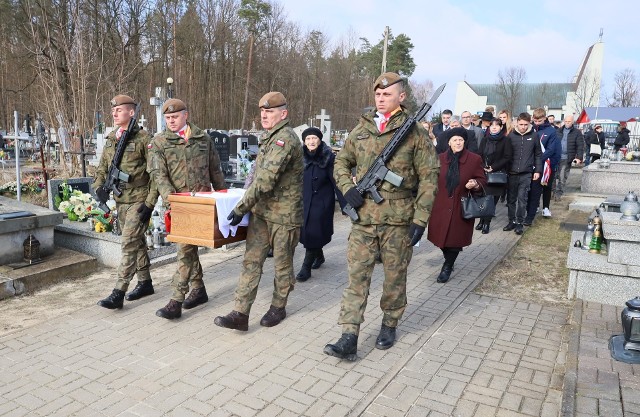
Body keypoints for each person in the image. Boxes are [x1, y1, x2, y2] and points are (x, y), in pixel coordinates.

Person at [323, 72, 439, 361]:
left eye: (387, 93)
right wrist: (347, 188)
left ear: (401, 97)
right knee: (356, 278)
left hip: (398, 221)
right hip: (363, 219)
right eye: (378, 93)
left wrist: (420, 220)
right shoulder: (361, 130)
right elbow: (341, 161)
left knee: (394, 277)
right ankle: (349, 334)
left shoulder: (415, 134)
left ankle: (389, 324)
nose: (381, 97)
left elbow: (429, 178)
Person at [214, 92, 303, 331]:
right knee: (251, 261)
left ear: (283, 114)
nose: (264, 115)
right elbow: (255, 176)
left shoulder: (285, 139)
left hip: (284, 216)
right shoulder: (268, 137)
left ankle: (278, 307)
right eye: (262, 111)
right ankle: (240, 313)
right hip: (262, 212)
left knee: (283, 264)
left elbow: (265, 180)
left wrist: (241, 206)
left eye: (270, 111)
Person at [147, 98, 226, 319]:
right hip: (179, 204)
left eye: (175, 117)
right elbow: (158, 175)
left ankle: (198, 290)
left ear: (186, 115)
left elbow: (215, 169)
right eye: (168, 118)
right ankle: (177, 299)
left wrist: (223, 199)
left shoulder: (203, 138)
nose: (171, 121)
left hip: (201, 203)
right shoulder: (160, 142)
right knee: (185, 249)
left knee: (188, 248)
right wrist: (171, 199)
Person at [95, 95, 158, 310]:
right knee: (137, 242)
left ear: (131, 113)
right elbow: (103, 166)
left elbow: (155, 174)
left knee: (128, 243)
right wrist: (98, 187)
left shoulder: (143, 138)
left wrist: (149, 203)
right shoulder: (113, 137)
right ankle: (145, 282)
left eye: (119, 110)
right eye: (113, 110)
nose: (114, 113)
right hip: (120, 199)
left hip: (139, 199)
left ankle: (118, 292)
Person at [427, 127, 487, 283]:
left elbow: (482, 179)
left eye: (461, 140)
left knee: (454, 240)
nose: (458, 142)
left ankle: (447, 266)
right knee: (440, 239)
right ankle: (449, 256)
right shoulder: (439, 158)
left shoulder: (474, 159)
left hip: (461, 206)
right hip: (440, 205)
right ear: (449, 142)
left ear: (464, 141)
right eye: (455, 140)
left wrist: (475, 184)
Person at [295, 127, 346, 282]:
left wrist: (345, 204)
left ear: (319, 140)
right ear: (304, 141)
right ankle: (319, 255)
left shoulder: (328, 157)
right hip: (305, 202)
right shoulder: (299, 158)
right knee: (306, 233)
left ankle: (306, 267)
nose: (311, 141)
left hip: (322, 203)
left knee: (314, 231)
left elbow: (337, 182)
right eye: (308, 139)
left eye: (314, 138)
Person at [504, 113, 542, 235]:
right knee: (511, 199)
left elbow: (538, 154)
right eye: (521, 124)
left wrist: (537, 171)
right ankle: (511, 221)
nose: (523, 127)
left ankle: (520, 223)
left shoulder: (534, 136)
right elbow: (506, 154)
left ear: (529, 123)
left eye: (526, 125)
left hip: (526, 173)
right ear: (517, 123)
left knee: (522, 199)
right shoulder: (511, 136)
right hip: (512, 172)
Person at [476, 118, 512, 234]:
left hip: (497, 174)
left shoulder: (505, 140)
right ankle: (481, 220)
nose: (494, 127)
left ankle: (487, 223)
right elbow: (479, 155)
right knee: (483, 199)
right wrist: (483, 167)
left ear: (501, 127)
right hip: (484, 173)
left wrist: (493, 167)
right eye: (492, 125)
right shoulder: (485, 140)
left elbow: (507, 157)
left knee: (491, 201)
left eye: (497, 125)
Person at [524, 108, 559, 225]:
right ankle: (527, 210)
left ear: (545, 118)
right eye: (535, 120)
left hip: (542, 165)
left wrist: (537, 161)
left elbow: (550, 150)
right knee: (527, 190)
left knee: (537, 190)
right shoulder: (530, 129)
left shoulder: (551, 131)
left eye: (539, 120)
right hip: (528, 164)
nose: (537, 122)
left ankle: (534, 214)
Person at [550, 115, 583, 210]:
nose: (567, 123)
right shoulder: (558, 131)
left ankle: (558, 193)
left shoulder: (577, 133)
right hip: (556, 157)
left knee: (562, 176)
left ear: (573, 122)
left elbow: (580, 146)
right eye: (566, 121)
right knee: (553, 175)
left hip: (567, 157)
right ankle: (552, 191)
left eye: (569, 121)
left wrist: (579, 157)